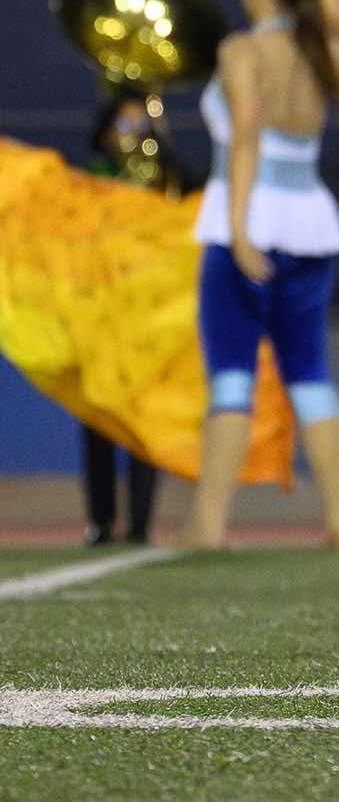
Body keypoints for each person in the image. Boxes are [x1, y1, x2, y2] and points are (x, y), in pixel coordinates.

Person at [184, 0, 339, 549]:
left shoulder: (241, 49)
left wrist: (241, 229)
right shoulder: (318, 53)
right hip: (310, 224)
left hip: (247, 219)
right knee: (309, 374)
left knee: (232, 376)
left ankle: (208, 526)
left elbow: (245, 134)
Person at [79, 90, 186, 543]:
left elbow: (195, 199)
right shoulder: (91, 179)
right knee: (98, 419)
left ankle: (141, 522)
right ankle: (100, 521)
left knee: (145, 419)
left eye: (140, 125)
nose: (131, 135)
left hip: (148, 316)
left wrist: (163, 142)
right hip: (102, 315)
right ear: (105, 131)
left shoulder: (165, 178)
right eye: (123, 124)